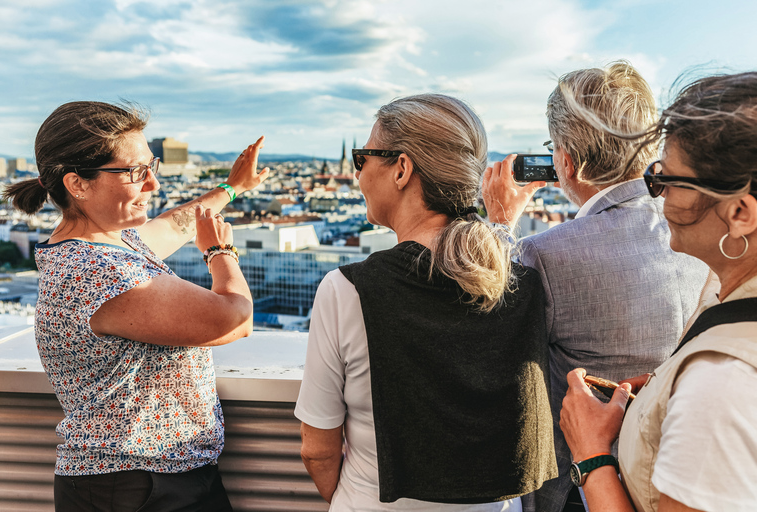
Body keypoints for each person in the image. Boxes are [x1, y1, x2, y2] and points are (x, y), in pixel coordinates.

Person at [294, 93, 557, 511]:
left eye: (362, 159)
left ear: (401, 169)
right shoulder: (521, 280)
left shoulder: (348, 290)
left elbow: (317, 448)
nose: (358, 174)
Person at [4, 101, 269, 511]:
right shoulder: (98, 271)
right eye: (134, 172)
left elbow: (172, 225)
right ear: (78, 183)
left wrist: (233, 188)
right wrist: (220, 250)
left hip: (137, 479)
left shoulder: (103, 243)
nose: (153, 185)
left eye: (152, 166)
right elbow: (235, 320)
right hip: (139, 485)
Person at [482, 61, 709, 512]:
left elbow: (493, 349)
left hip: (580, 484)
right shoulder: (696, 232)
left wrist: (500, 226)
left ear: (566, 161)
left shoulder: (545, 254)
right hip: (676, 470)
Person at [559, 71, 757, 512]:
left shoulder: (722, 380)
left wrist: (590, 453)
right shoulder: (725, 303)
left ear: (740, 213)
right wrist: (662, 393)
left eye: (668, 179)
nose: (657, 193)